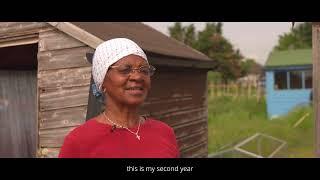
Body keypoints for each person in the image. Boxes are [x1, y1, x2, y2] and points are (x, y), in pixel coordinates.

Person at [58, 38, 180, 158]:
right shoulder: (78, 141)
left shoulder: (165, 133)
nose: (137, 77)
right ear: (102, 81)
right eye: (125, 70)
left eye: (144, 70)